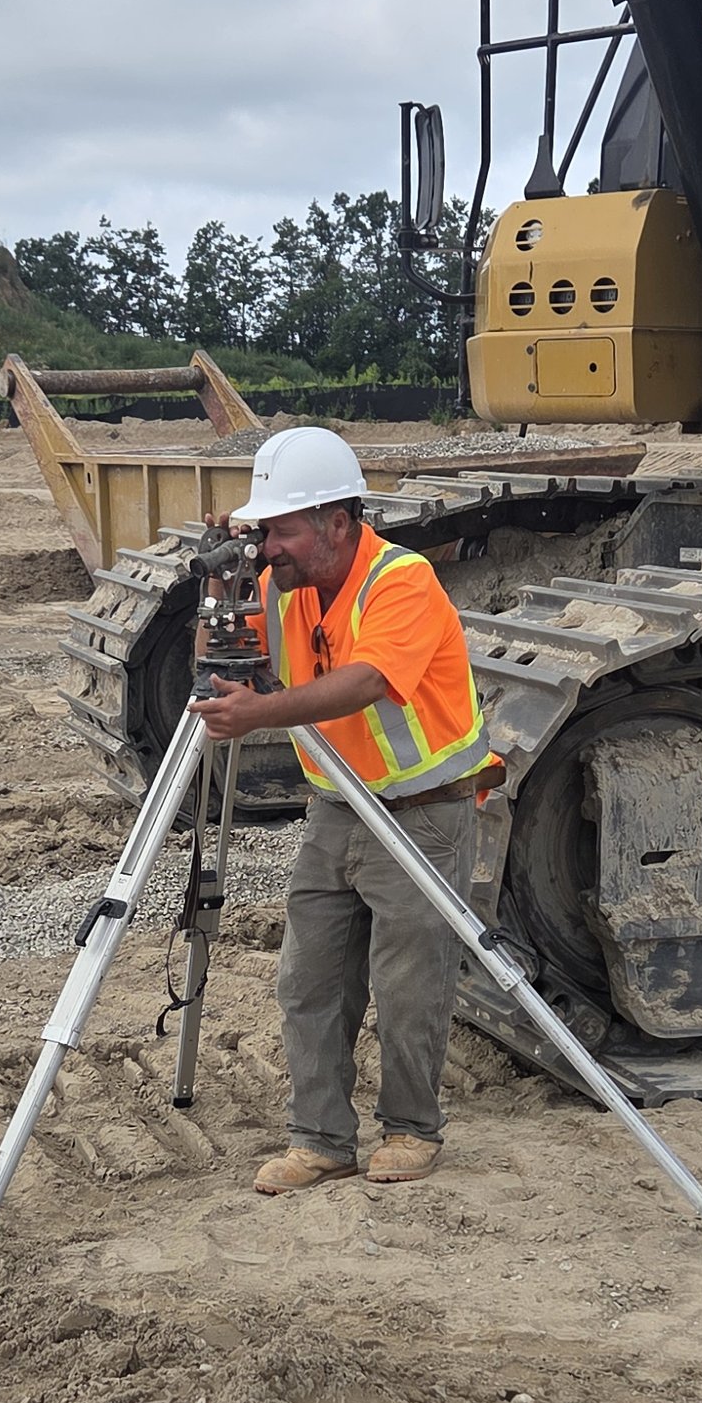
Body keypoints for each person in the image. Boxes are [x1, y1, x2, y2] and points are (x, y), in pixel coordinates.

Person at [195, 424, 493, 1192]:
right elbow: (218, 649)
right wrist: (222, 587)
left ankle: (411, 1128)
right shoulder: (281, 584)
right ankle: (321, 1137)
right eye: (262, 532)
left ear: (337, 521)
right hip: (337, 805)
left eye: (282, 530)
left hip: (423, 808)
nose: (270, 547)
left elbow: (365, 680)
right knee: (309, 977)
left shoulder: (402, 580)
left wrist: (260, 716)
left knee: (408, 981)